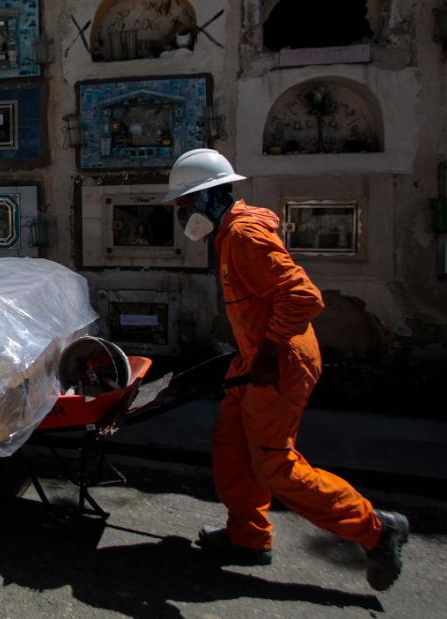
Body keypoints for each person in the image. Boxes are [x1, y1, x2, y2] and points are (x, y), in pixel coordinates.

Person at [161, 148, 409, 591]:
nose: (182, 216)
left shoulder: (243, 237)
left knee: (275, 464)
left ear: (208, 198)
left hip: (280, 361)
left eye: (184, 205)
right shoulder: (228, 235)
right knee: (232, 446)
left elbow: (304, 297)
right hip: (258, 355)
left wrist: (269, 353)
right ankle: (248, 536)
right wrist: (250, 354)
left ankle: (376, 529)